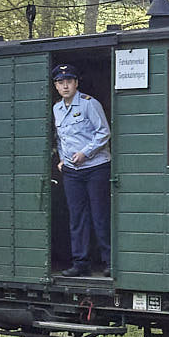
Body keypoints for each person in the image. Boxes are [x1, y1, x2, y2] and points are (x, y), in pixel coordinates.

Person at [51, 63, 112, 275]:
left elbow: (104, 132)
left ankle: (109, 262)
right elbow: (60, 138)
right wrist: (61, 158)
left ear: (76, 83)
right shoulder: (56, 109)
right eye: (61, 82)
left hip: (96, 167)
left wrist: (85, 153)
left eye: (69, 81)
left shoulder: (89, 104)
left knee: (99, 215)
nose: (65, 86)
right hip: (71, 172)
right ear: (56, 86)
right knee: (77, 218)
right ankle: (81, 263)